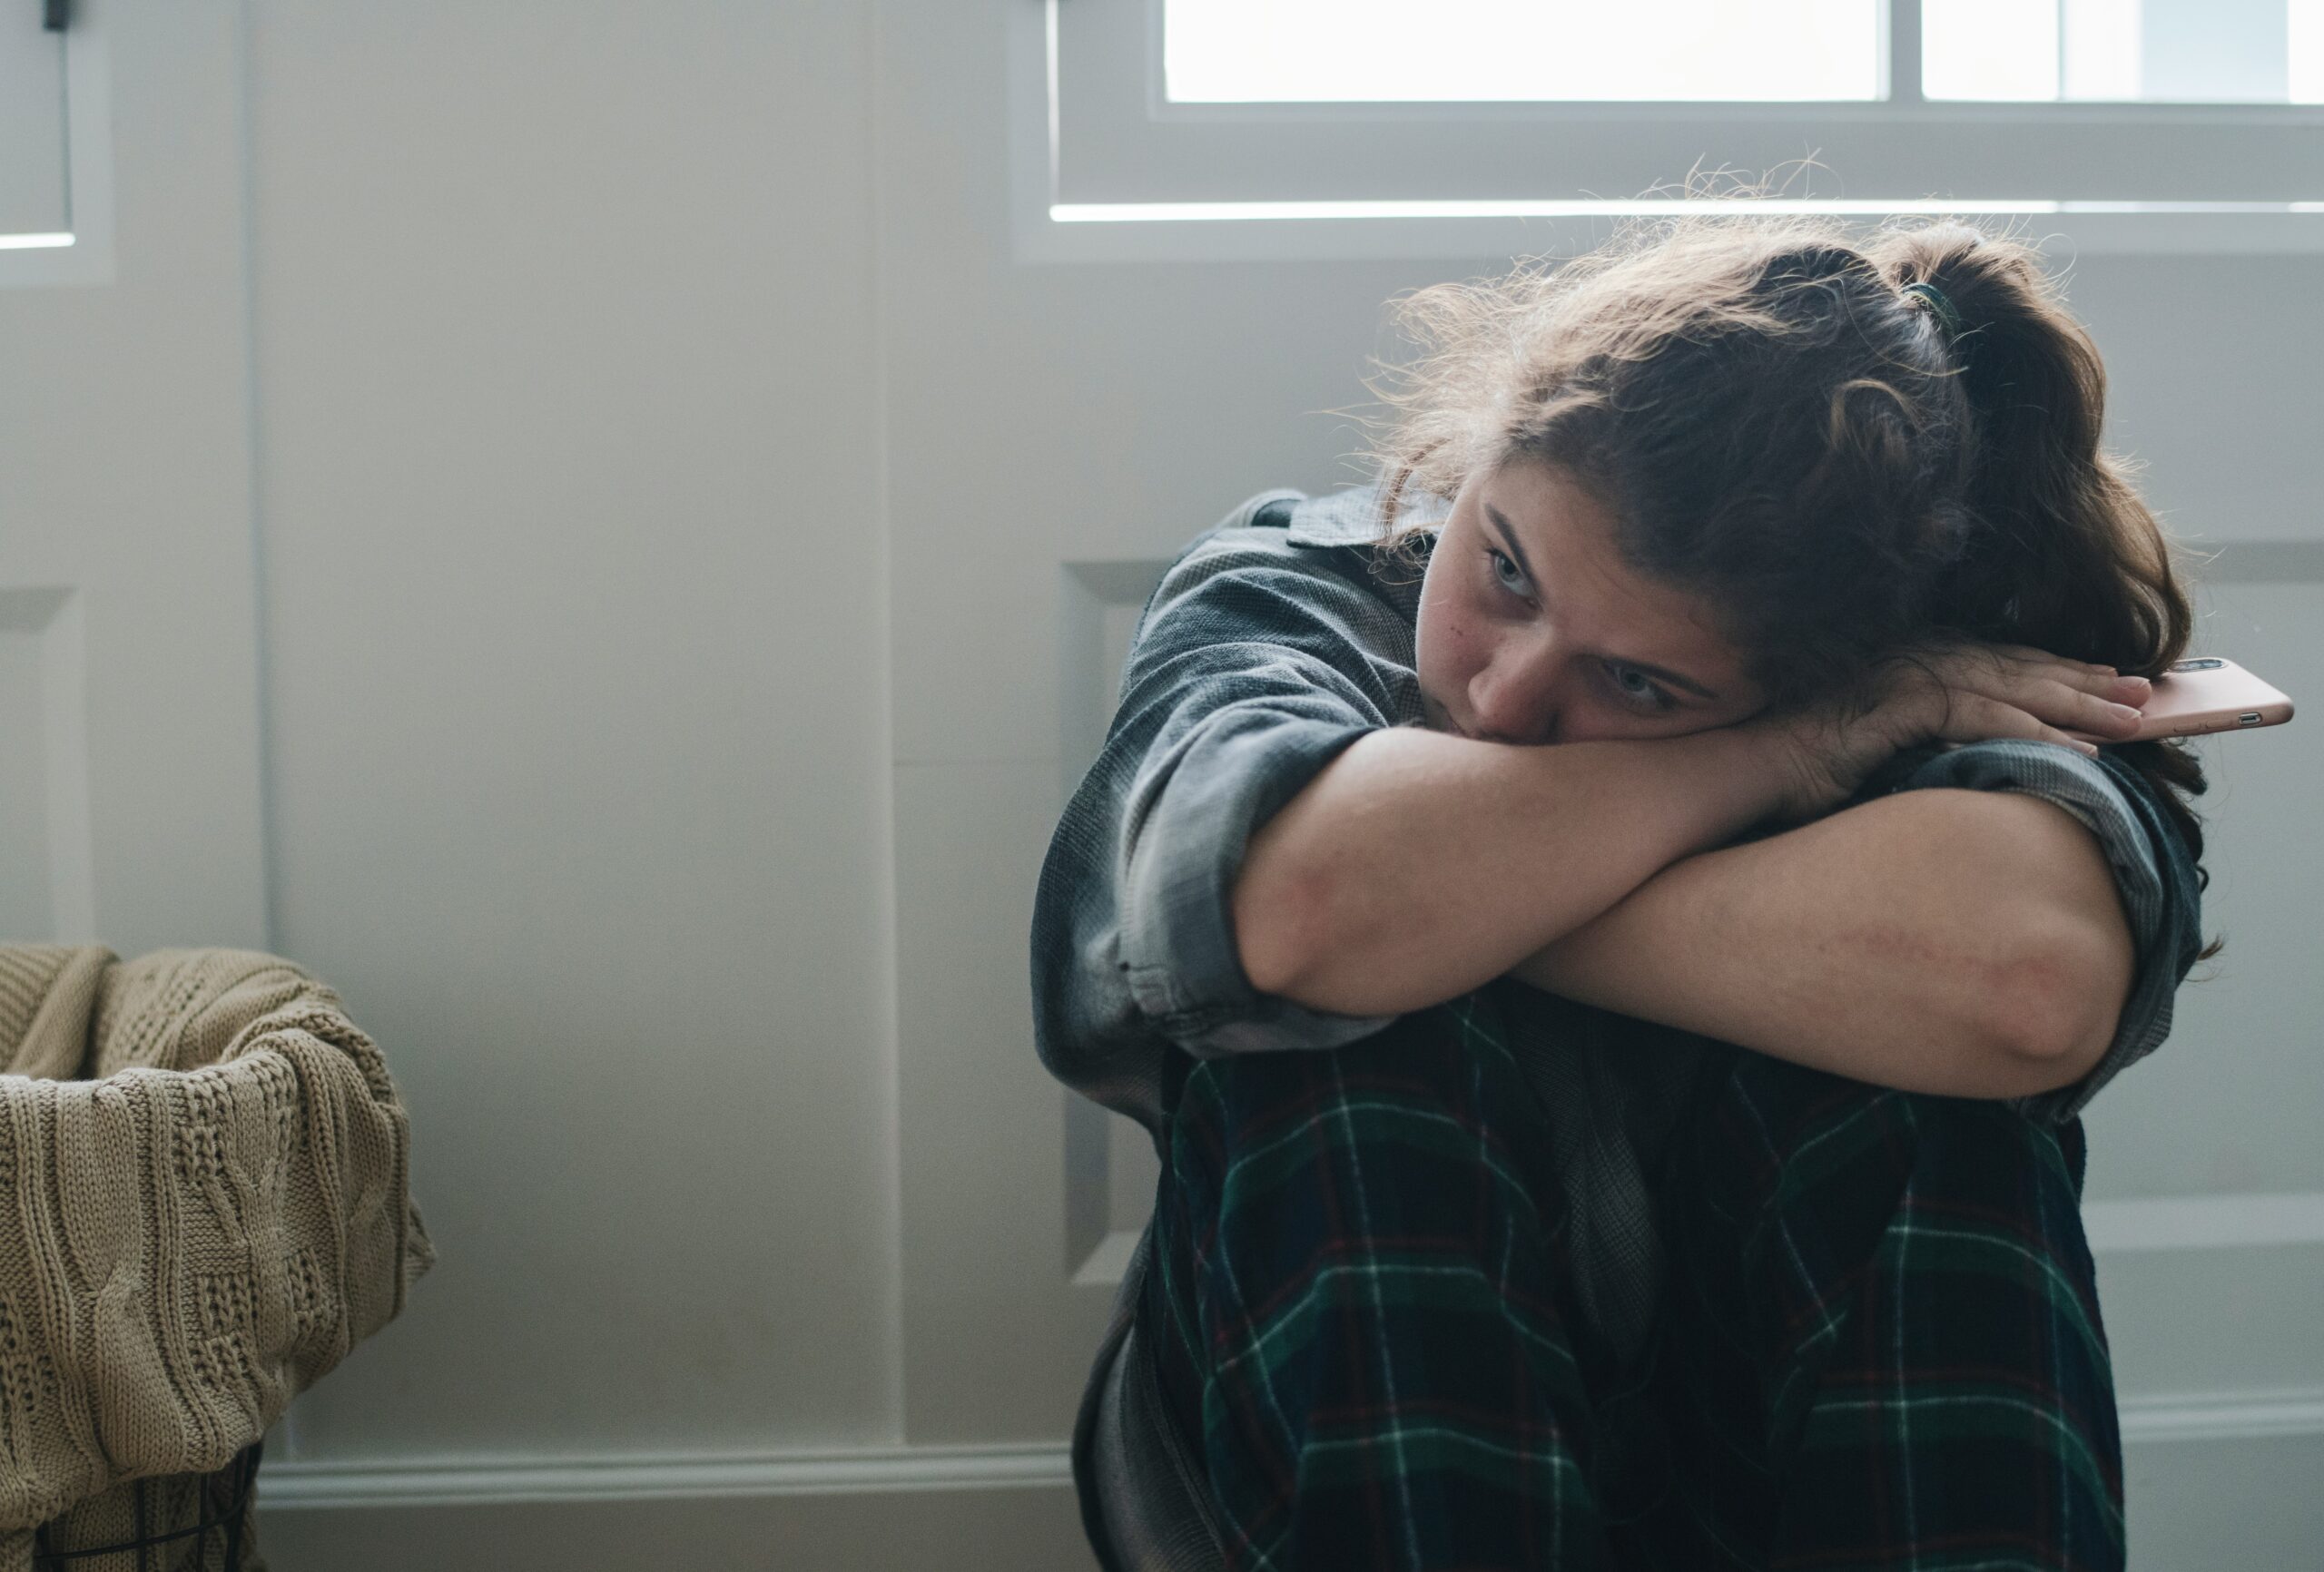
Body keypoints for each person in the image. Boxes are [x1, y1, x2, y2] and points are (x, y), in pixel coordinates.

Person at [1030, 215, 2211, 1572]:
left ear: (1835, 667)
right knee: (1364, 1035)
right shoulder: (1299, 587)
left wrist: (1444, 900)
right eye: (1506, 569)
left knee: (1932, 1100)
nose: (1502, 695)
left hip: (1763, 1462)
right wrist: (1772, 760)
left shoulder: (1945, 676)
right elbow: (1295, 916)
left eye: (1642, 683)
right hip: (1329, 1433)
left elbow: (2022, 982)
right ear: (1475, 457)